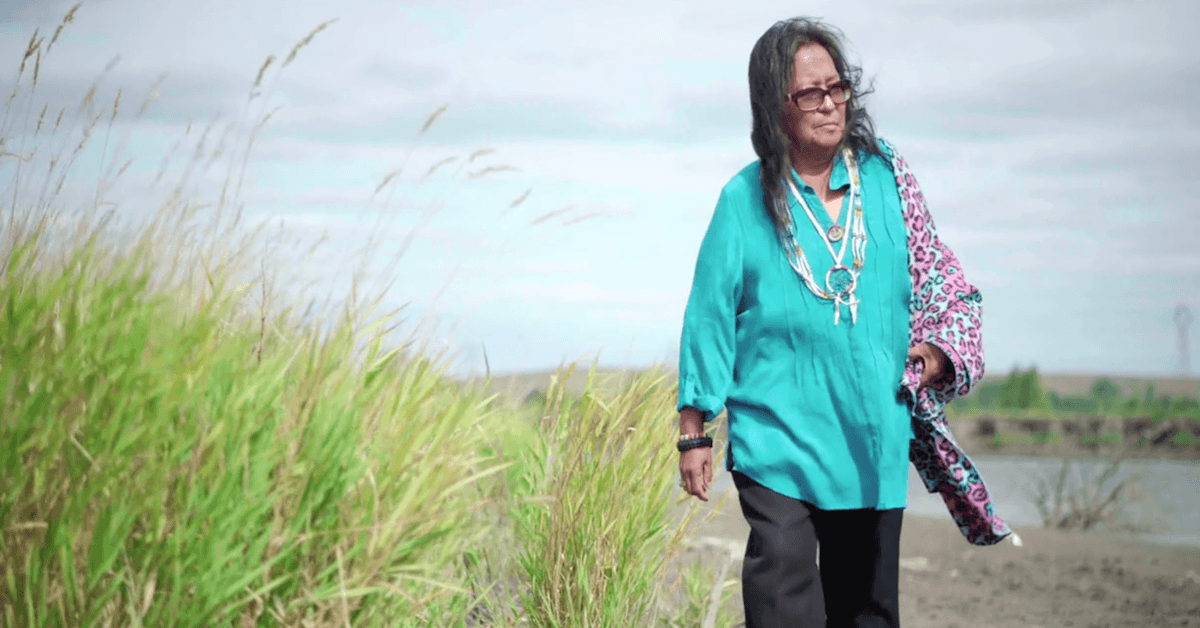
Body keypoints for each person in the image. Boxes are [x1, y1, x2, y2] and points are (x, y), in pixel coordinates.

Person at [675, 17, 1011, 628]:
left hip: (870, 439)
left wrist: (935, 354)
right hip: (777, 442)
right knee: (783, 603)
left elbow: (943, 282)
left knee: (867, 614)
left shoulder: (887, 180)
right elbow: (710, 314)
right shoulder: (742, 201)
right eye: (810, 93)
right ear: (773, 106)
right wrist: (694, 427)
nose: (829, 104)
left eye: (838, 87)